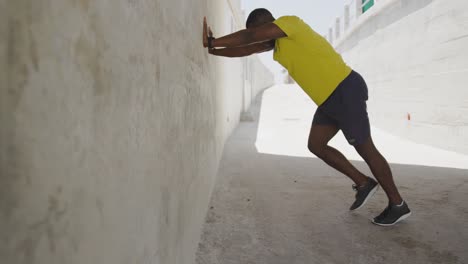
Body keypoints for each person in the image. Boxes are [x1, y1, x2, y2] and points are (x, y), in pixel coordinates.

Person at [202, 8, 411, 226]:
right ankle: (363, 183)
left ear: (267, 25)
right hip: (329, 100)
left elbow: (250, 37)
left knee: (366, 149)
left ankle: (398, 204)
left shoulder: (290, 23)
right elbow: (246, 48)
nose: (261, 37)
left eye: (261, 31)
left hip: (343, 90)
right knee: (316, 145)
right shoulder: (276, 45)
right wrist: (213, 49)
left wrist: (214, 41)